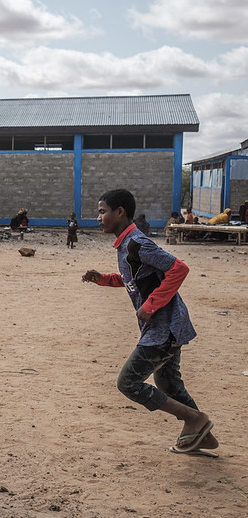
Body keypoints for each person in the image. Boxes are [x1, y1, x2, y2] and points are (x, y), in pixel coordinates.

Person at [82, 189, 217, 454]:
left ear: (119, 212)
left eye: (102, 212)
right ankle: (201, 435)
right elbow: (134, 278)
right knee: (168, 383)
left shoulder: (137, 243)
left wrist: (151, 304)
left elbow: (178, 268)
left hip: (164, 328)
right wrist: (103, 279)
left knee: (128, 383)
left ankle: (194, 419)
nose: (99, 218)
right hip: (164, 327)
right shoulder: (126, 244)